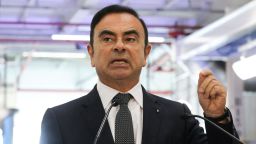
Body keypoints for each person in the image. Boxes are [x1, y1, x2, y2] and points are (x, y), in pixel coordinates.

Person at [40, 4, 239, 144]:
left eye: (130, 38)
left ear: (146, 53)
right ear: (91, 53)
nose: (119, 46)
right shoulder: (61, 120)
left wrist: (216, 117)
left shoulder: (178, 116)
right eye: (108, 39)